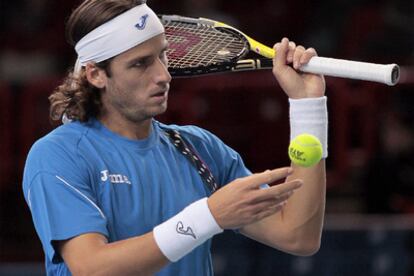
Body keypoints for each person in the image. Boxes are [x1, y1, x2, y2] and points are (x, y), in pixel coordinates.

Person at [22, 0, 328, 275]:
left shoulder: (200, 149)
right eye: (140, 63)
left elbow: (298, 235)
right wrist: (208, 216)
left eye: (162, 56)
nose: (164, 75)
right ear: (95, 75)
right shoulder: (57, 155)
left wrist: (307, 108)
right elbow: (92, 268)